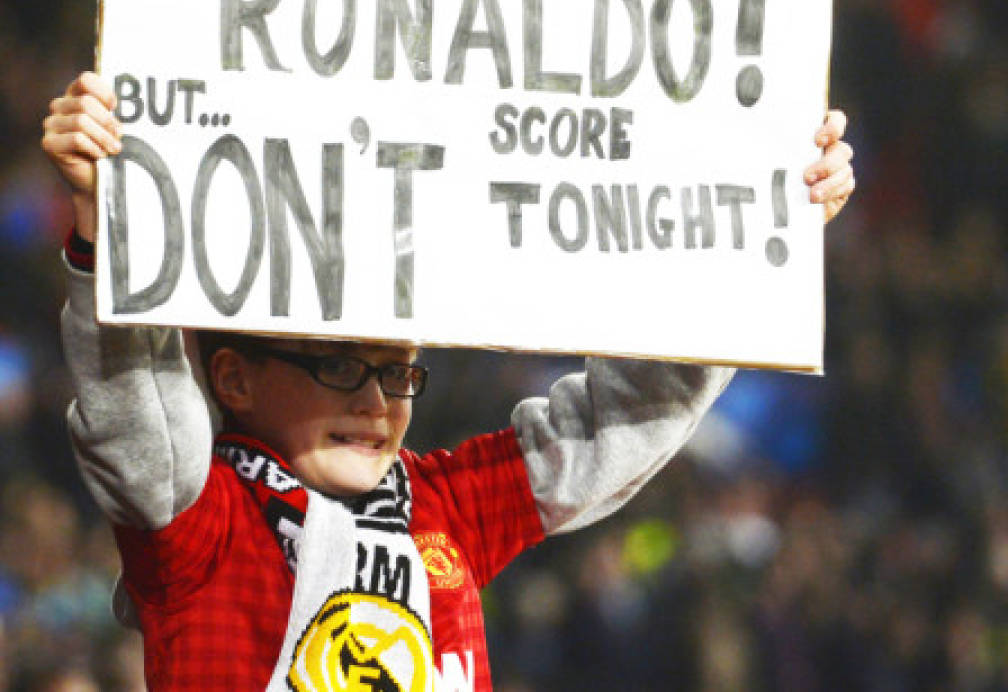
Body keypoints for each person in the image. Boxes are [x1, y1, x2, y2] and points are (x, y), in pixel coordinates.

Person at [41, 71, 856, 690]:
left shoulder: (446, 509)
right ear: (233, 378)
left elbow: (624, 417)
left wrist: (754, 234)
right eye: (337, 367)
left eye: (397, 375)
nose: (375, 403)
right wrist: (109, 228)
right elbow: (139, 405)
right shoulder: (199, 525)